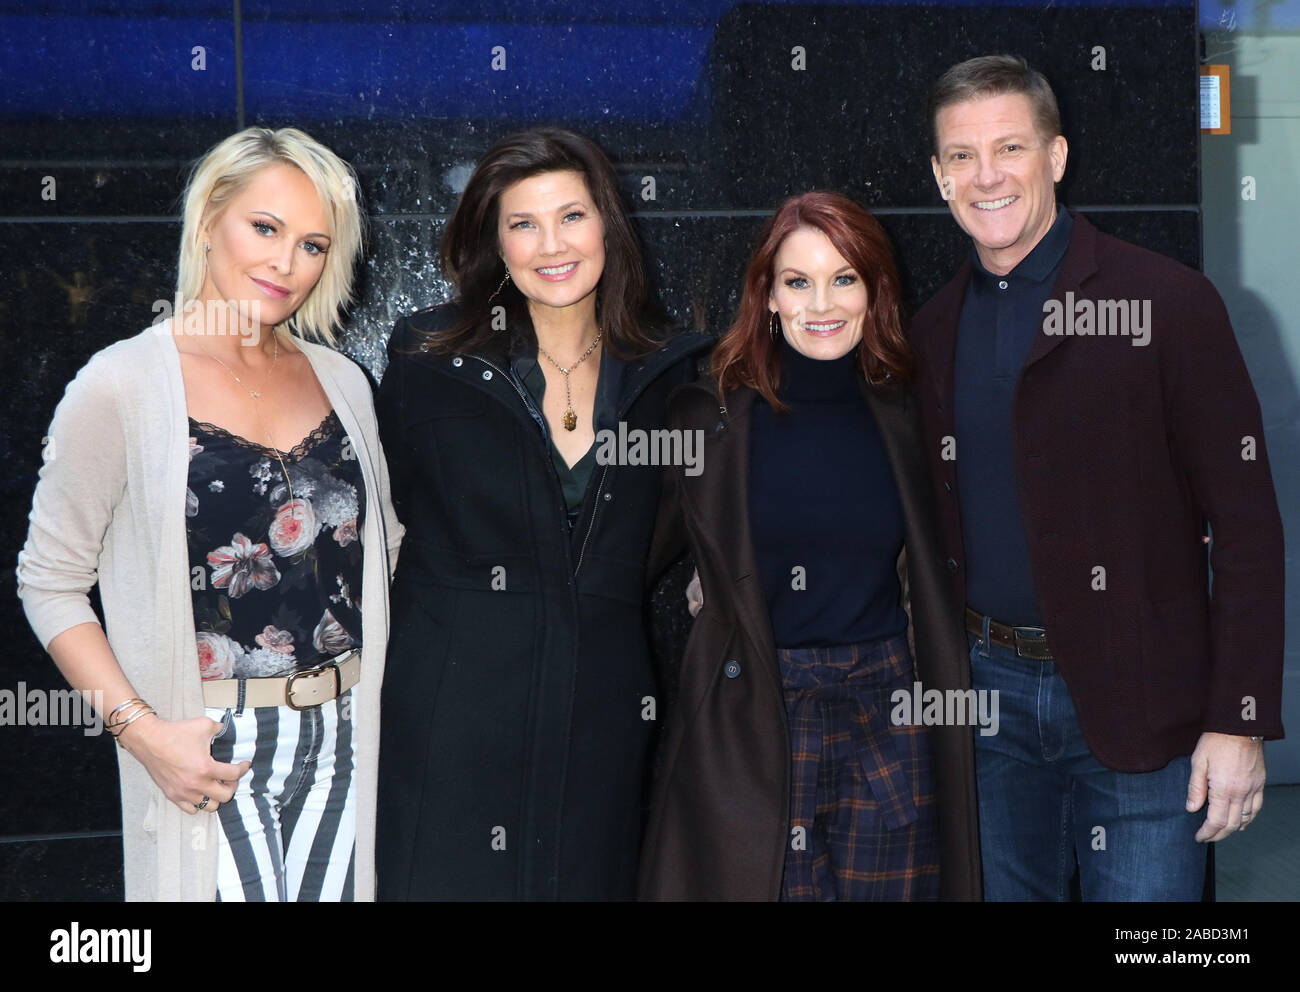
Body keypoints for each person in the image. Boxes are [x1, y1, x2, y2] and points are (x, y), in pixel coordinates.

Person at [912, 55, 1285, 900]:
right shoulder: (933, 330)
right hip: (987, 706)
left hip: (1148, 703)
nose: (987, 175)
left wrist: (1240, 717)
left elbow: (1248, 523)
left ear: (1057, 156)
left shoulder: (1167, 303)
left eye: (1010, 146)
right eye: (961, 156)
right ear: (938, 177)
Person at [16, 127, 403, 901]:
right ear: (207, 222)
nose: (285, 263)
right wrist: (143, 732)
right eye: (265, 228)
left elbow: (384, 553)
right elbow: (48, 583)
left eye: (313, 244)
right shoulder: (121, 384)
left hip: (351, 735)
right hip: (212, 742)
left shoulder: (344, 380)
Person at [375, 127, 712, 900]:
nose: (550, 244)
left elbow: (675, 528)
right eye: (523, 224)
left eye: (572, 216)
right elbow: (395, 511)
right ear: (496, 242)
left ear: (608, 226)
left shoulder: (667, 373)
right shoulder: (429, 359)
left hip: (600, 709)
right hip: (453, 711)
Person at [638, 191, 982, 901]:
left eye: (844, 278)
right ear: (766, 295)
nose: (821, 303)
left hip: (889, 704)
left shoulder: (911, 409)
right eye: (798, 281)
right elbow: (631, 554)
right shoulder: (711, 417)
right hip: (761, 710)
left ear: (874, 290)